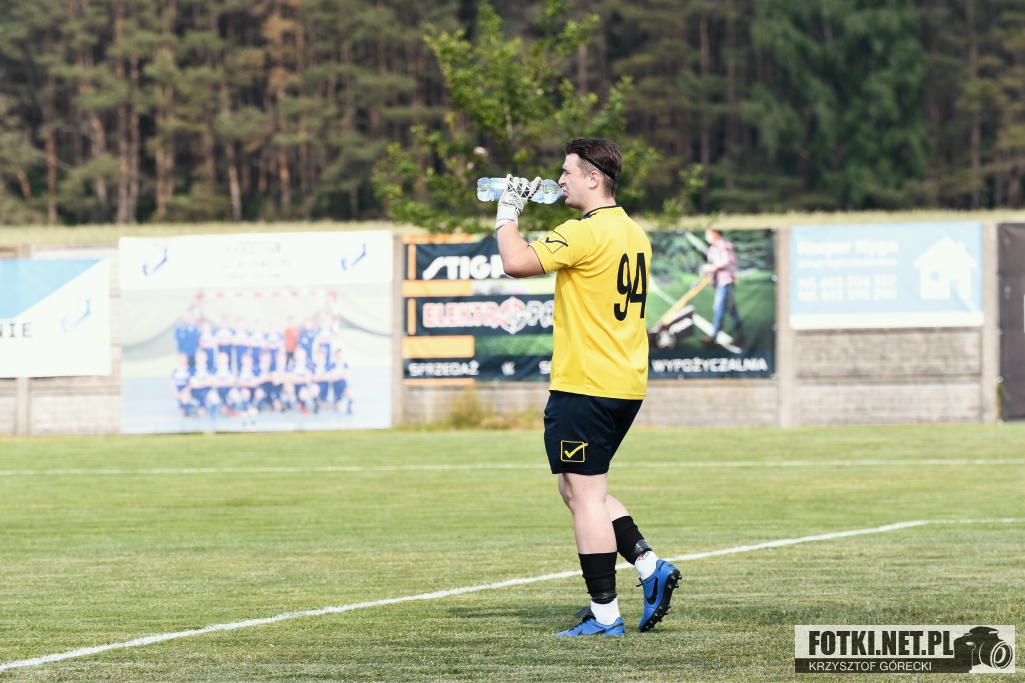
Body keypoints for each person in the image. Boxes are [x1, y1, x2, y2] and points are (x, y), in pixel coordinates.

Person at [494, 137, 680, 637]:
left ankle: (605, 615)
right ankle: (649, 567)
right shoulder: (633, 232)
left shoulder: (584, 231)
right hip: (624, 381)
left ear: (593, 178)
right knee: (579, 490)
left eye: (567, 172)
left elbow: (515, 261)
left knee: (585, 494)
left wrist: (507, 211)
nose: (560, 180)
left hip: (586, 383)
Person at [700, 229, 745, 347]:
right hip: (719, 282)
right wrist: (707, 272)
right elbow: (713, 265)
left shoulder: (725, 245)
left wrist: (710, 268)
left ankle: (713, 337)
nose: (706, 236)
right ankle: (740, 336)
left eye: (708, 234)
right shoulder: (712, 249)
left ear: (715, 233)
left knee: (719, 307)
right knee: (731, 309)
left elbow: (726, 261)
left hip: (726, 281)